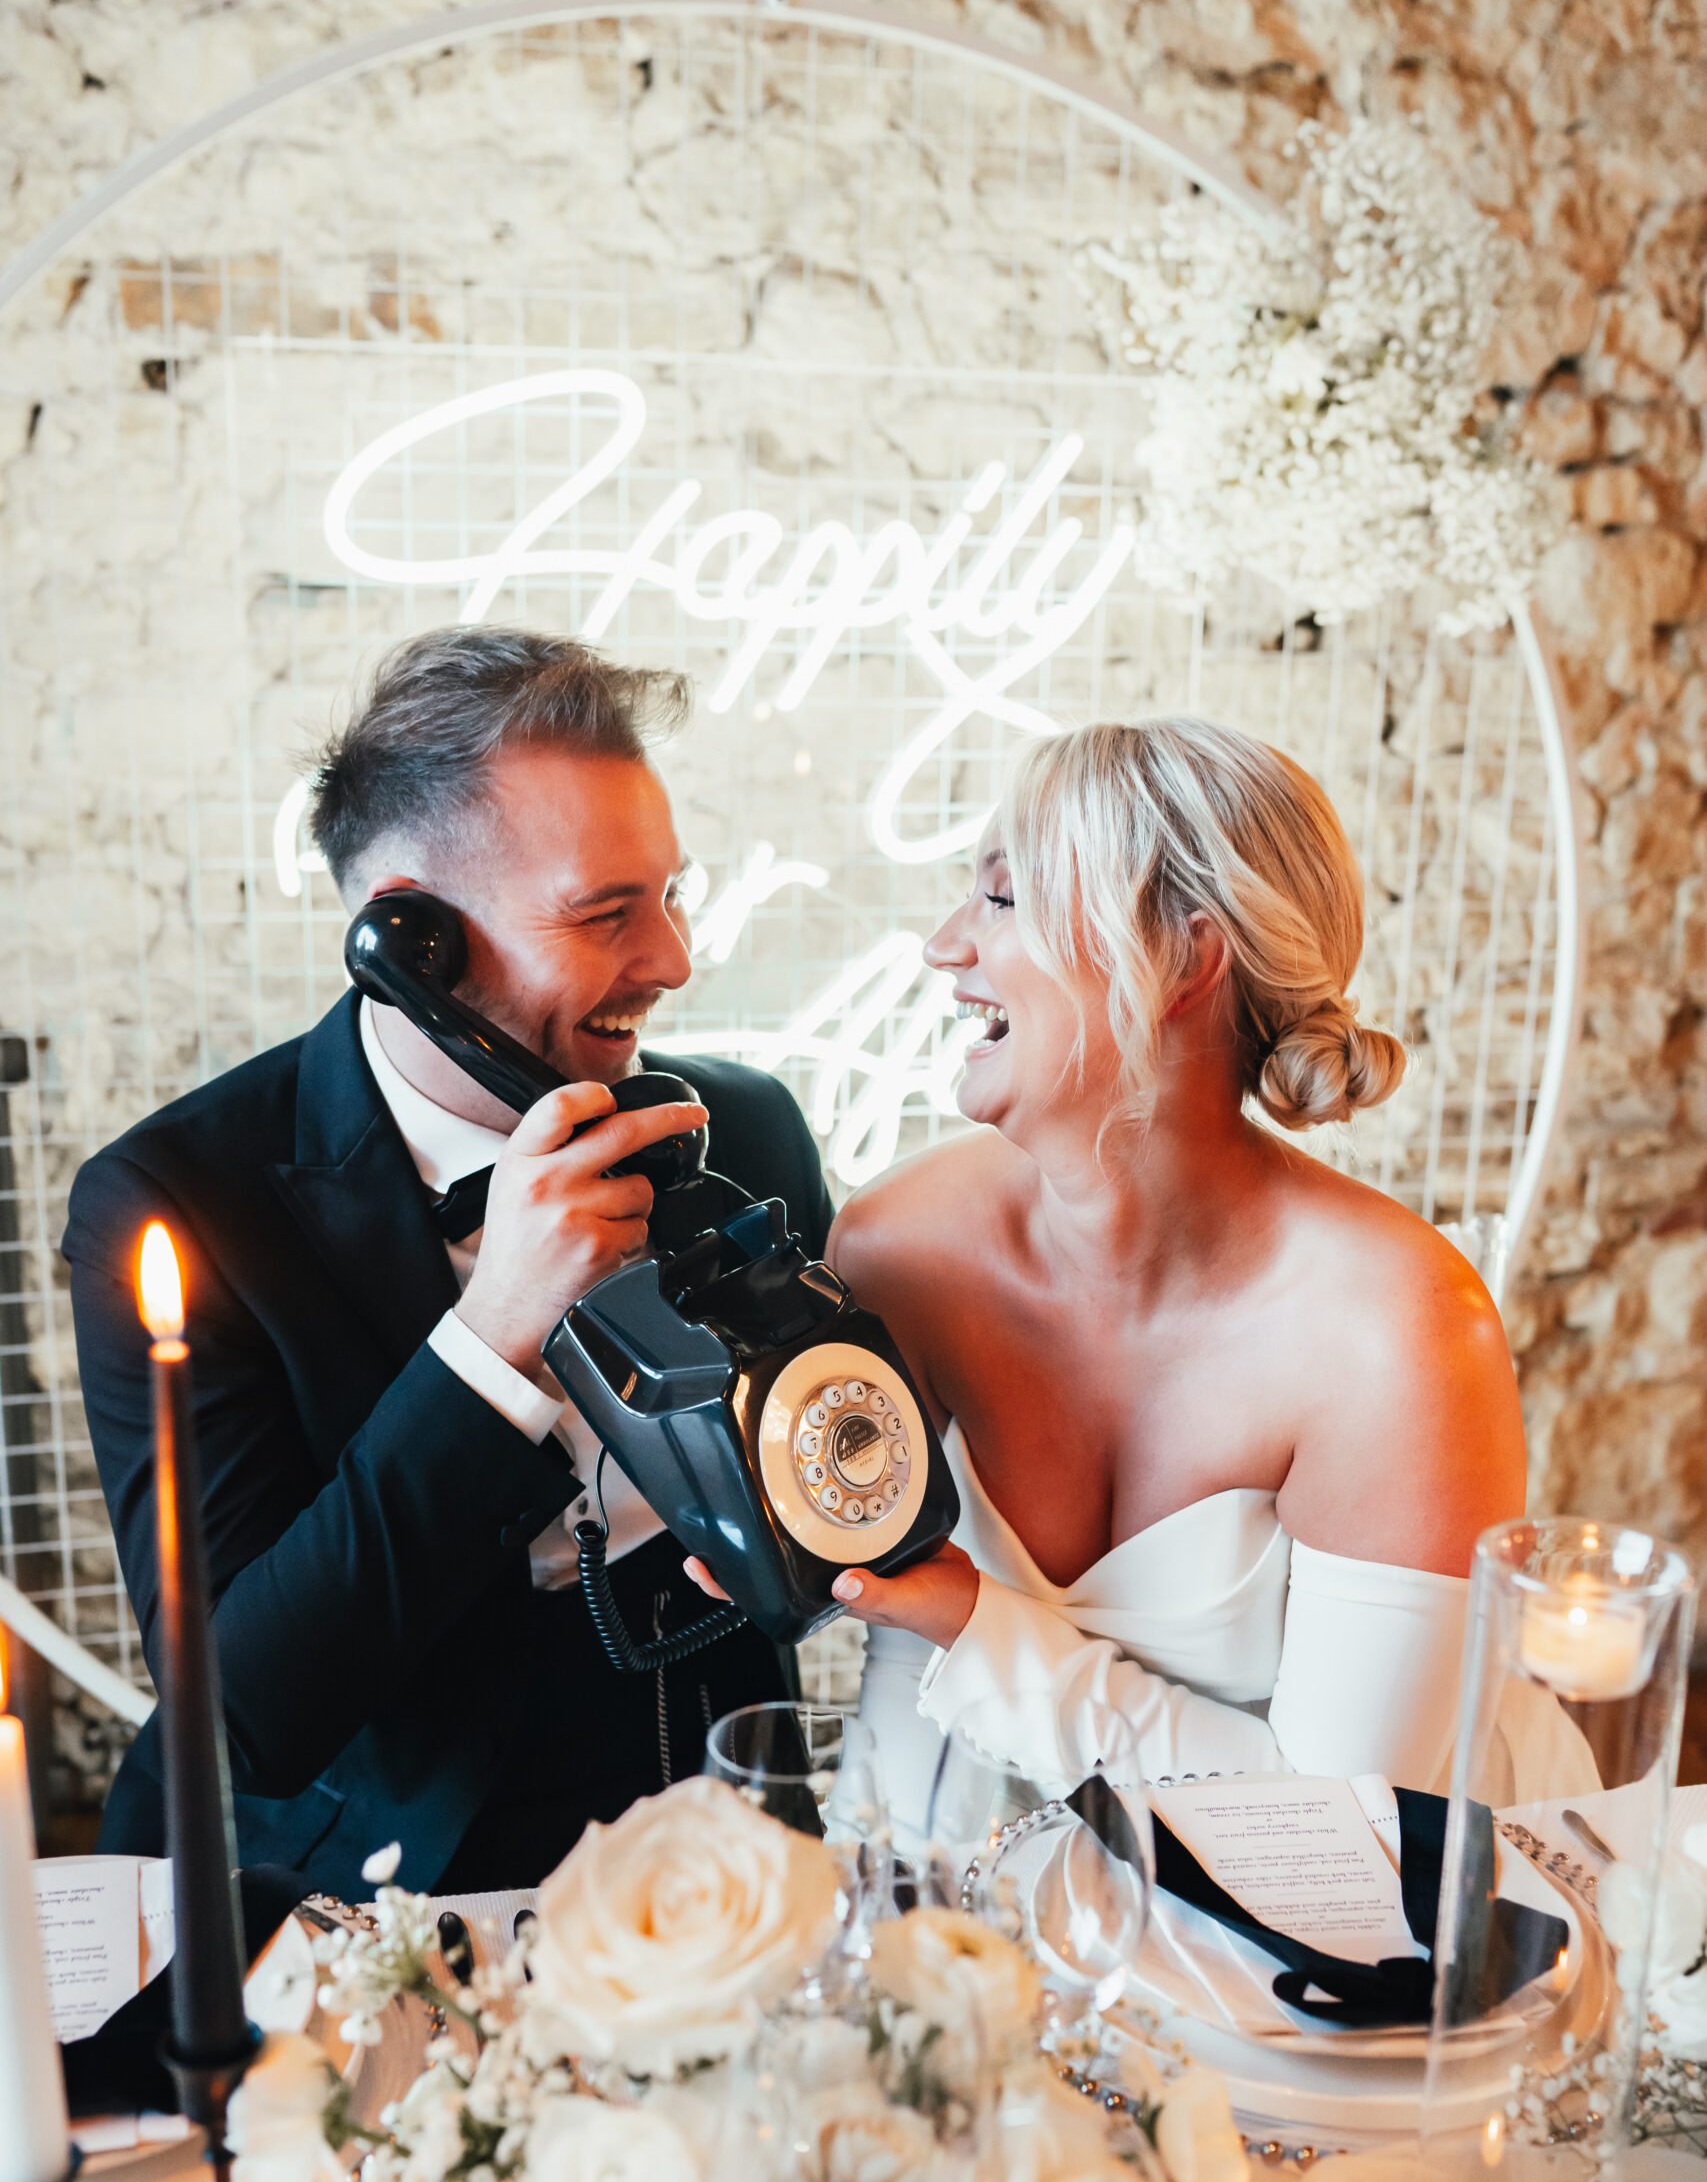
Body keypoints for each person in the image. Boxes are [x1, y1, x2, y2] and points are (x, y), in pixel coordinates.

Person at [689, 716, 1580, 1820]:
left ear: (1185, 961)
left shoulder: (1399, 1332)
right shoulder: (896, 1248)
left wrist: (978, 1624)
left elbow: (1349, 1837)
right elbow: (906, 1668)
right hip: (1017, 1871)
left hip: (1374, 1908)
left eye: (1002, 899)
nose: (945, 946)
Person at [66, 628, 832, 1895]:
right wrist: (494, 1335)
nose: (673, 961)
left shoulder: (743, 1134)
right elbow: (243, 1713)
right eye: (606, 913)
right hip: (359, 1876)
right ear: (407, 936)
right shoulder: (173, 1208)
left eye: (671, 895)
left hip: (712, 1819)